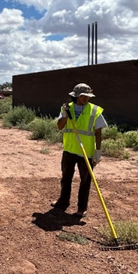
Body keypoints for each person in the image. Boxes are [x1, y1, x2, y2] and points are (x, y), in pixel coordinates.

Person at [53, 83, 106, 217]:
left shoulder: (94, 110)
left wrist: (98, 151)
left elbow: (98, 132)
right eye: (83, 96)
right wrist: (64, 115)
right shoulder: (67, 108)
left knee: (85, 180)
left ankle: (82, 208)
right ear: (76, 96)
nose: (85, 98)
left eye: (88, 96)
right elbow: (60, 127)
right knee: (66, 177)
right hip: (69, 149)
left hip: (86, 151)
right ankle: (63, 200)